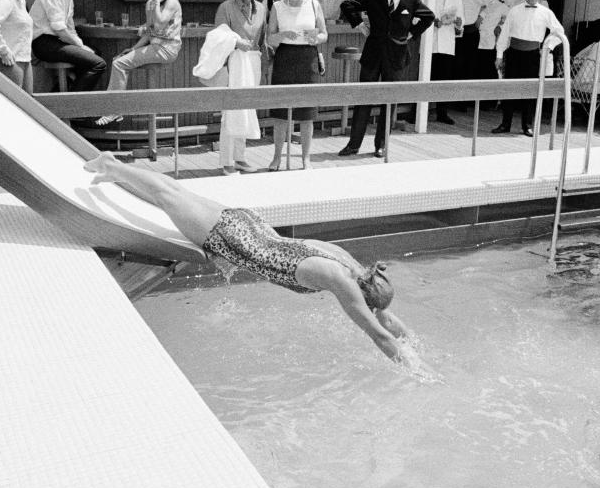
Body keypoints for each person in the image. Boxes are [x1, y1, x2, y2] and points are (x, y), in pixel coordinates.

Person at [83, 151, 422, 366]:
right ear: (364, 296)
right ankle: (112, 164)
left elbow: (385, 320)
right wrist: (415, 370)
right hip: (230, 238)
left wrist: (414, 343)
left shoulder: (350, 264)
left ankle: (116, 169)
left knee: (175, 192)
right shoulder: (343, 284)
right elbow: (379, 334)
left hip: (251, 225)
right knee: (167, 195)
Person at [337, 0, 434, 157]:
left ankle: (381, 145)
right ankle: (353, 145)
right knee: (364, 99)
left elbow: (429, 17)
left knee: (389, 101)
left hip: (397, 56)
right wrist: (359, 25)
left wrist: (412, 34)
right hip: (373, 54)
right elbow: (346, 4)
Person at [96, 0, 182, 128]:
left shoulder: (170, 0)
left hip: (167, 48)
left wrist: (157, 1)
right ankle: (116, 109)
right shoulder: (150, 2)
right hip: (156, 47)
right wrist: (134, 48)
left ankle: (113, 110)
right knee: (119, 59)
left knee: (119, 64)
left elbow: (159, 24)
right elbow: (150, 31)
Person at [267, 0, 328, 171]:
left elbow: (324, 34)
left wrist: (316, 39)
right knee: (281, 113)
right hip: (285, 58)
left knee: (306, 113)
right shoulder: (277, 6)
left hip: (307, 58)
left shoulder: (314, 5)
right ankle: (276, 158)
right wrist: (282, 35)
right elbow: (269, 39)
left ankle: (306, 159)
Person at [212, 0, 265, 175]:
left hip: (253, 63)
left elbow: (262, 39)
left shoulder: (261, 8)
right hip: (231, 64)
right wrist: (235, 42)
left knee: (246, 110)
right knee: (230, 114)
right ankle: (227, 162)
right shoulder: (226, 7)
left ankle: (240, 158)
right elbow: (216, 38)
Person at [493, 0, 564, 136]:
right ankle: (505, 124)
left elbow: (559, 32)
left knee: (530, 91)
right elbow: (504, 34)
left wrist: (548, 47)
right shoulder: (514, 10)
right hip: (513, 53)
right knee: (509, 90)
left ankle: (527, 126)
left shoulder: (546, 12)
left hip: (533, 56)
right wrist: (499, 55)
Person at [30, 0, 107, 92]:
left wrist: (82, 46)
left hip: (57, 41)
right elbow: (59, 29)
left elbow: (70, 28)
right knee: (98, 63)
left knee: (96, 53)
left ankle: (62, 90)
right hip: (43, 43)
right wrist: (81, 46)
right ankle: (71, 106)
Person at [429, 0, 464, 125]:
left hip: (447, 44)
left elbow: (460, 26)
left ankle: (442, 113)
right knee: (425, 79)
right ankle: (419, 112)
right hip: (429, 44)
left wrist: (457, 23)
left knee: (443, 80)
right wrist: (432, 22)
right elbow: (416, 19)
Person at [455, 0, 491, 80]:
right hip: (454, 32)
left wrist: (481, 16)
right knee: (456, 62)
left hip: (471, 33)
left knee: (470, 63)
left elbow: (491, 4)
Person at [475, 0, 509, 79]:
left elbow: (509, 20)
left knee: (487, 74)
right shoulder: (477, 0)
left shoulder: (501, 6)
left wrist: (500, 26)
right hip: (472, 41)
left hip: (489, 44)